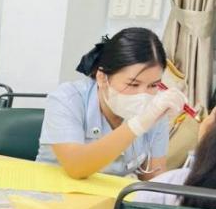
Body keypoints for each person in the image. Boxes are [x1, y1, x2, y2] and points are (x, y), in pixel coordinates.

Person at [37, 27, 187, 179]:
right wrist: (138, 125)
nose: (143, 95)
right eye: (133, 84)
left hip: (110, 193)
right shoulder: (67, 99)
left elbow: (154, 176)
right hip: (52, 190)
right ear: (102, 78)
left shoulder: (154, 112)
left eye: (153, 85)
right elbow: (76, 167)